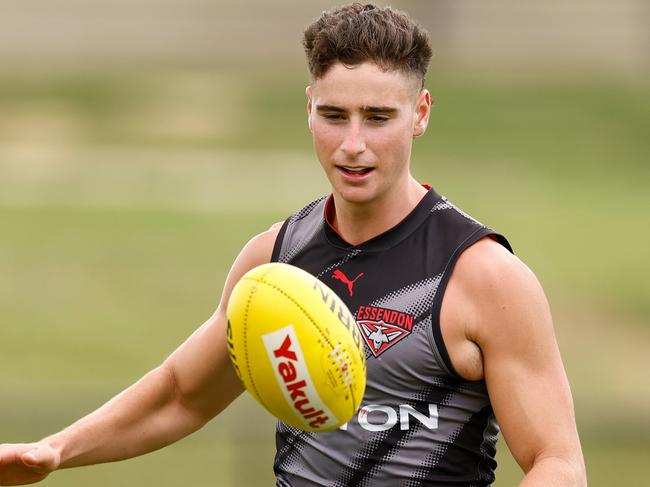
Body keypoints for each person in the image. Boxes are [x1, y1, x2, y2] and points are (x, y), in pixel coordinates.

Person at [0, 3, 586, 486]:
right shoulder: (273, 263)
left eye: (378, 117)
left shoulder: (482, 275)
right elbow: (182, 394)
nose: (352, 144)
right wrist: (55, 450)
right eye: (334, 114)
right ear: (308, 107)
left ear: (420, 113)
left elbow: (557, 463)